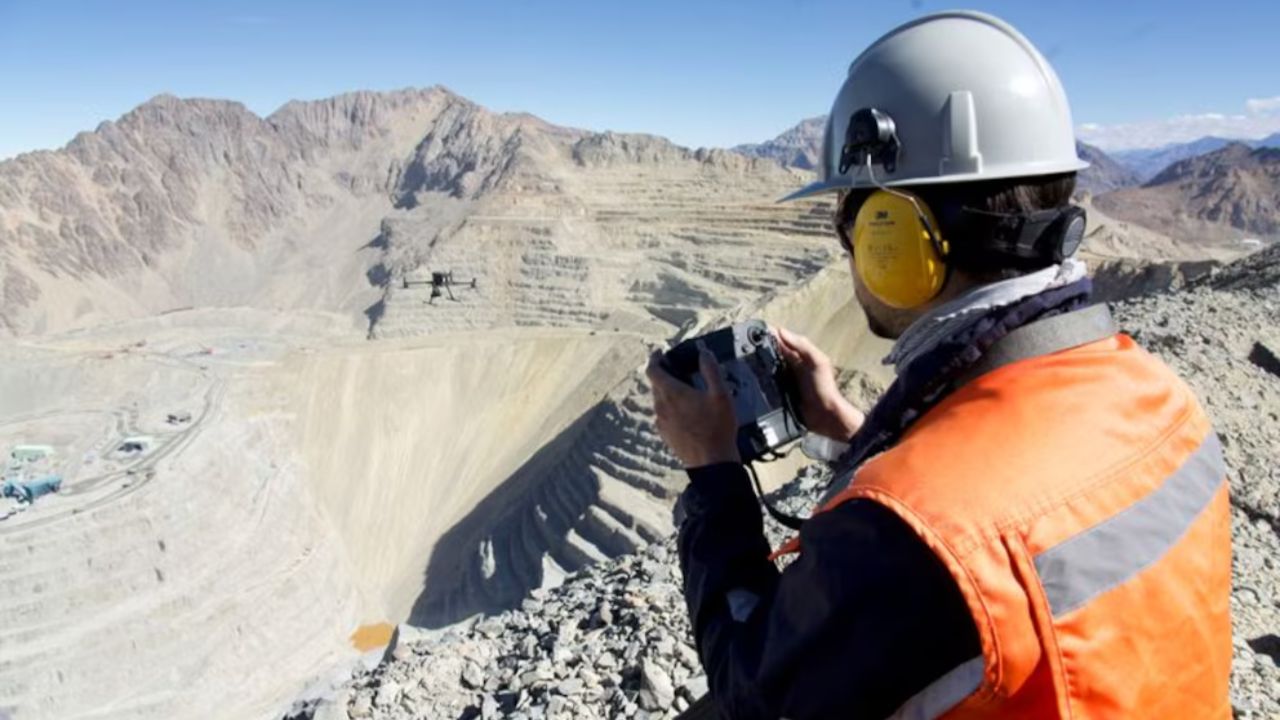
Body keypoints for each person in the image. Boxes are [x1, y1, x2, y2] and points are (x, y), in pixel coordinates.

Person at [646, 11, 1231, 720]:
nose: (849, 253)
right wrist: (849, 428)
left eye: (851, 225)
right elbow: (1008, 483)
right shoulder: (1163, 399)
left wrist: (712, 472)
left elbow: (753, 687)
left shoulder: (913, 533)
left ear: (892, 234)